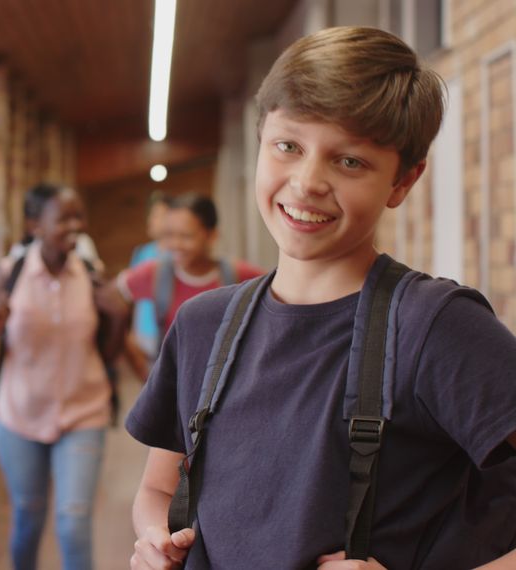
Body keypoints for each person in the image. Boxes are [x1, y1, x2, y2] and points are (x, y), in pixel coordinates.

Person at [127, 27, 516, 570]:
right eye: (288, 146)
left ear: (403, 181)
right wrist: (153, 539)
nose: (307, 181)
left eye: (349, 161)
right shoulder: (202, 325)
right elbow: (157, 491)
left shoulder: (435, 327)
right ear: (261, 137)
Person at [0, 183, 126, 570]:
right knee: (28, 519)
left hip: (83, 413)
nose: (75, 226)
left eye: (79, 216)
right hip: (19, 417)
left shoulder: (91, 275)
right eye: (64, 218)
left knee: (73, 524)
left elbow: (108, 352)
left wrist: (119, 316)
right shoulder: (9, 274)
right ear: (35, 224)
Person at [101, 193, 264, 358]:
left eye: (186, 236)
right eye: (169, 235)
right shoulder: (155, 274)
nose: (175, 244)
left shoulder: (238, 275)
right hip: (177, 382)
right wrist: (141, 366)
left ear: (212, 235)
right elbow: (107, 297)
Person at [128, 191, 172, 360]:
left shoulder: (178, 254)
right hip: (144, 330)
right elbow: (134, 297)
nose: (154, 220)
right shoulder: (142, 252)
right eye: (153, 215)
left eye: (161, 215)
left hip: (170, 330)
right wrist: (132, 330)